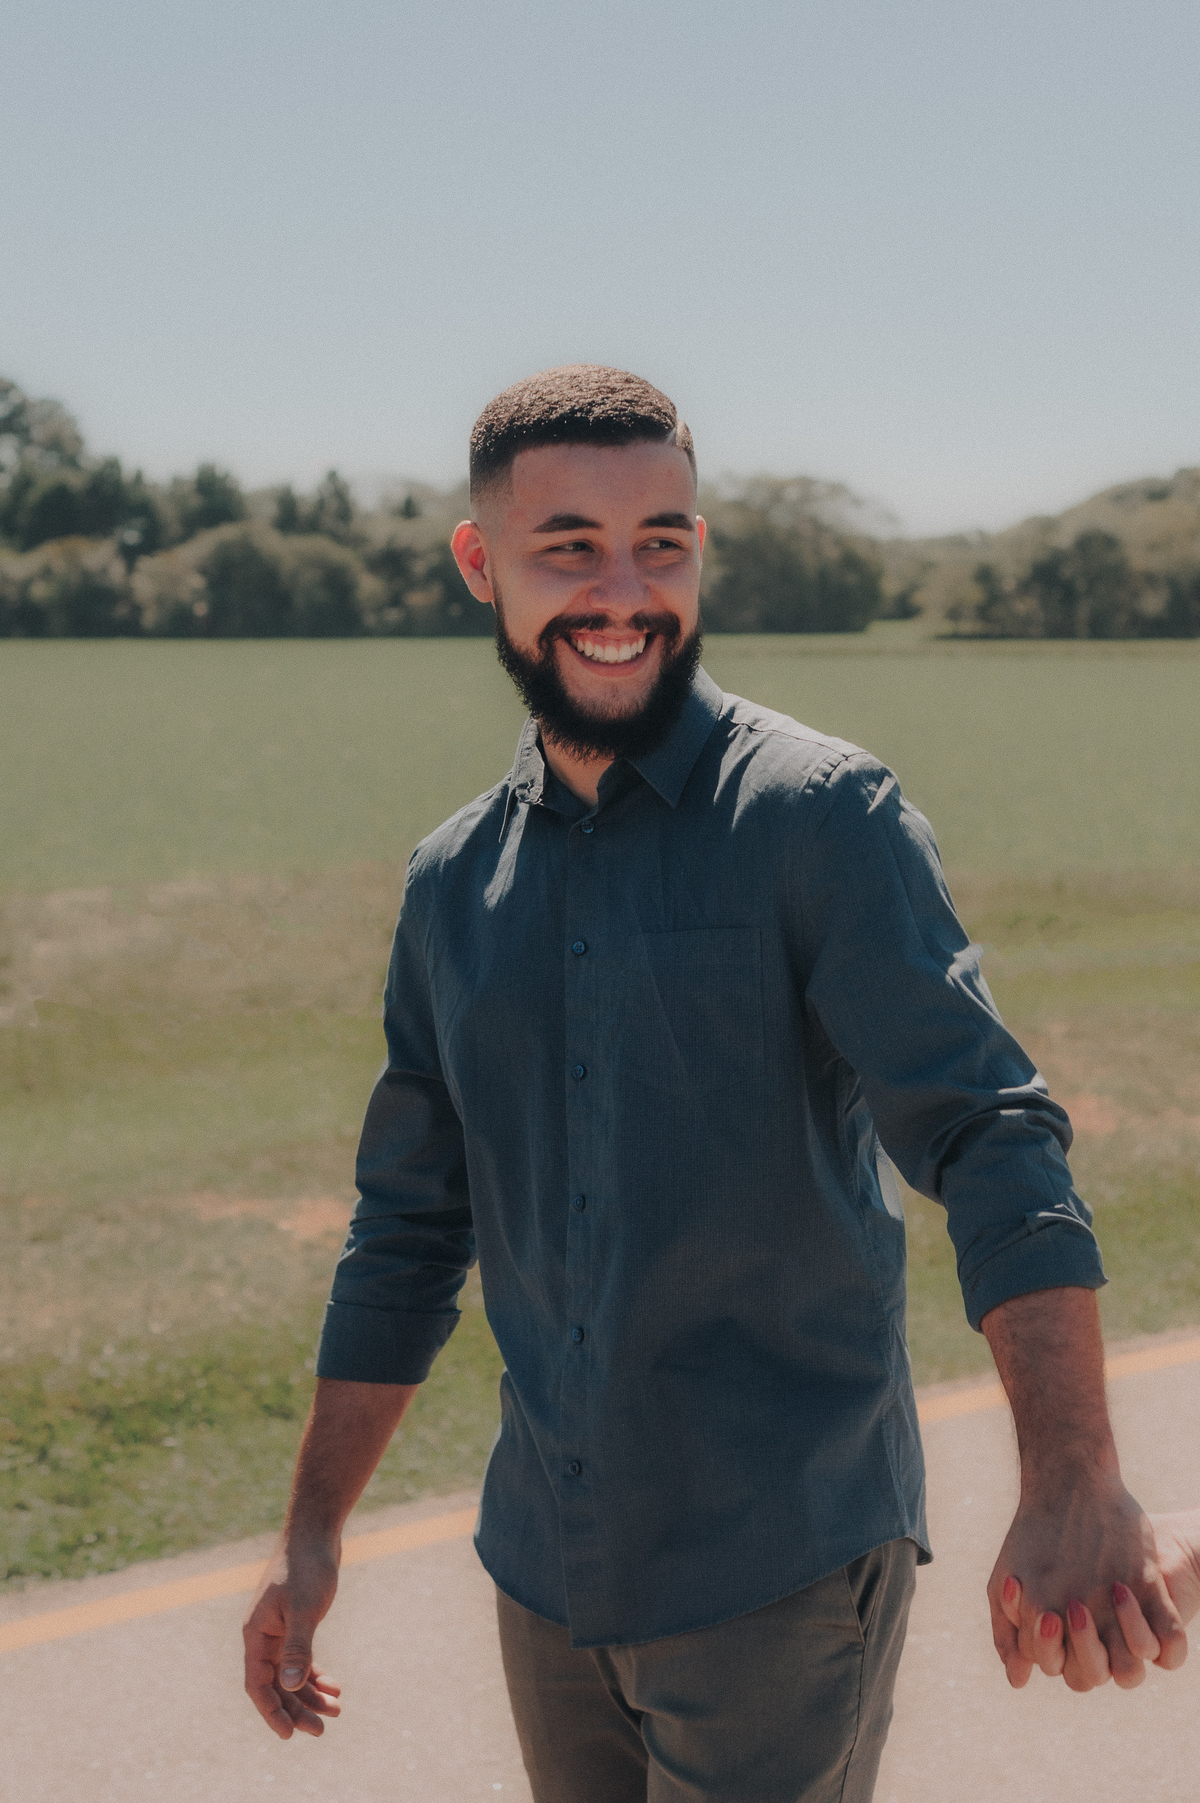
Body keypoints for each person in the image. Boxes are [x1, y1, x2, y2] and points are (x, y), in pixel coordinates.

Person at [243, 366, 1187, 1802]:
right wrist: (310, 1533)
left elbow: (989, 1134)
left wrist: (1073, 1478)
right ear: (480, 563)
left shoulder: (821, 817)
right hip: (548, 1569)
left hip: (778, 1564)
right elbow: (408, 1229)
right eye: (571, 546)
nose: (624, 592)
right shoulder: (450, 884)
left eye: (662, 542)